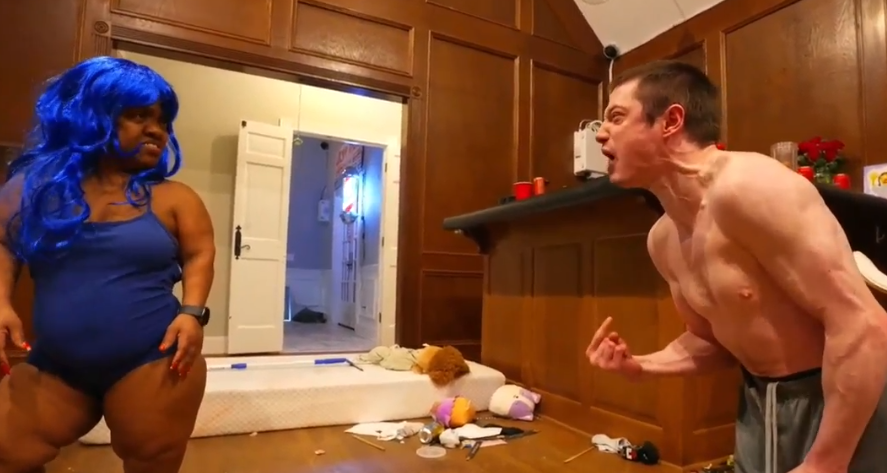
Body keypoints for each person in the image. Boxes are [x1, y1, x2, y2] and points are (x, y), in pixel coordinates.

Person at [588, 59, 887, 473]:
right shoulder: (663, 240)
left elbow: (862, 323)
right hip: (757, 404)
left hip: (841, 403)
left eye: (617, 117)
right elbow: (712, 341)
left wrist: (826, 461)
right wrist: (641, 365)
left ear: (671, 121)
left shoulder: (751, 187)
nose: (601, 133)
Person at [0, 56, 215, 473]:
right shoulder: (29, 189)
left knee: (151, 459)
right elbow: (4, 243)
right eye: (139, 116)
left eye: (163, 121)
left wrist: (192, 313)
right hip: (55, 364)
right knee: (8, 452)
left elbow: (199, 254)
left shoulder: (175, 198)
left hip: (153, 359)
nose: (157, 130)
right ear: (89, 114)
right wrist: (2, 303)